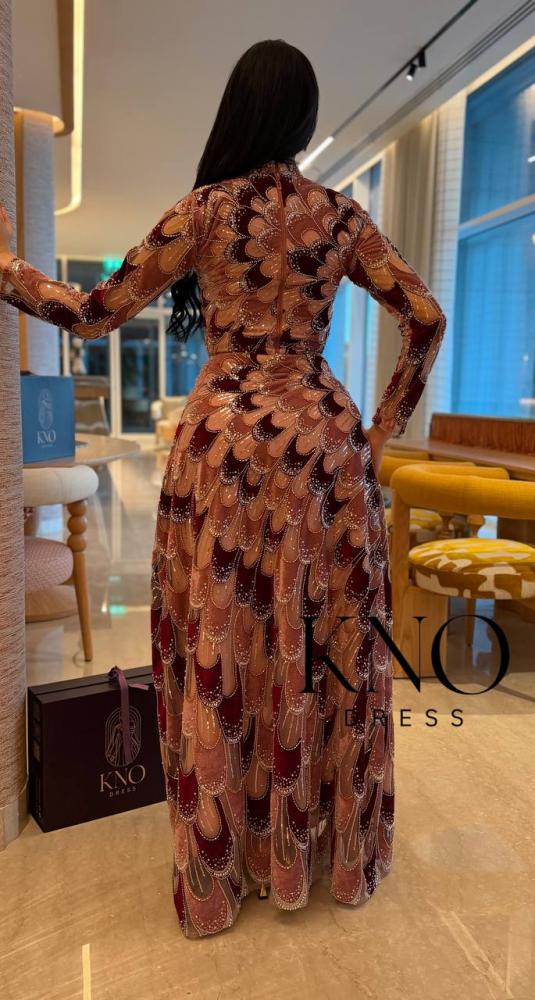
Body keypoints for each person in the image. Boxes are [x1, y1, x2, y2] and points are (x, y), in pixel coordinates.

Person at [0, 39, 446, 939]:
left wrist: (8, 265)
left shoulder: (204, 212)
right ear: (305, 120)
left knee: (224, 639)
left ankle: (223, 864)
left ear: (239, 110)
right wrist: (380, 428)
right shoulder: (341, 216)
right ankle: (317, 850)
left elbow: (92, 311)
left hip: (227, 450)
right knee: (321, 644)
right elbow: (425, 317)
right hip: (323, 448)